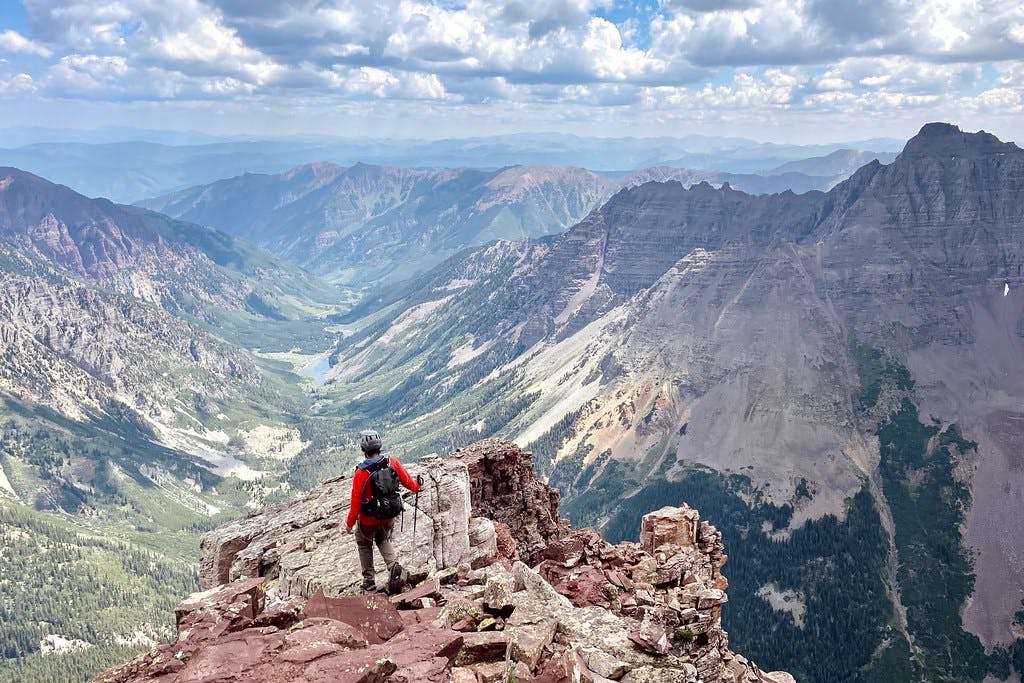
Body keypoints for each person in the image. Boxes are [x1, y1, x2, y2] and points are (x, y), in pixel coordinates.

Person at [346, 429, 421, 593]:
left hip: (368, 519)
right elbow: (409, 482)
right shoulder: (392, 462)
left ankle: (369, 581)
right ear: (379, 446)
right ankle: (393, 566)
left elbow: (356, 502)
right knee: (382, 538)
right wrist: (417, 486)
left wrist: (350, 523)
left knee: (364, 544)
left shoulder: (361, 473)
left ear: (363, 449)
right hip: (388, 514)